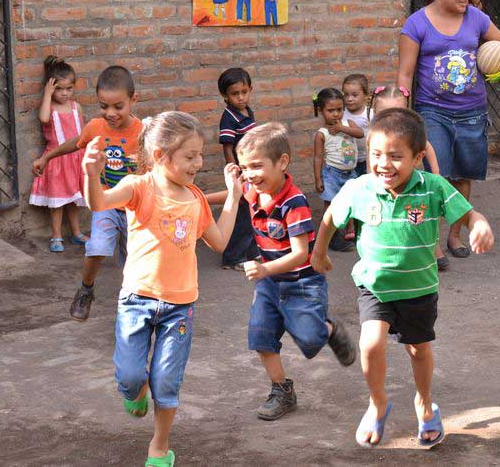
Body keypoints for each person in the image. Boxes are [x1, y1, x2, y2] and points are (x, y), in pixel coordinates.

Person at [311, 107, 494, 448]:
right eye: (376, 154)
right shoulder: (359, 188)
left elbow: (469, 214)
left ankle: (424, 402)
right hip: (375, 286)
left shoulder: (433, 187)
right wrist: (318, 253)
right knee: (370, 345)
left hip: (418, 288)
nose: (383, 164)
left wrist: (479, 224)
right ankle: (377, 402)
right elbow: (330, 219)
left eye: (396, 156)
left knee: (418, 350)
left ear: (418, 156)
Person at [81, 111, 240, 467]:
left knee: (166, 381)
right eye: (189, 156)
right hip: (137, 301)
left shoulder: (195, 198)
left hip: (180, 307)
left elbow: (220, 241)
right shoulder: (139, 187)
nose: (198, 163)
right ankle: (135, 393)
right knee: (131, 378)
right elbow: (99, 203)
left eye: (200, 155)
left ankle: (159, 445)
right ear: (159, 156)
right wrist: (91, 174)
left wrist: (234, 196)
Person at [223, 122, 357, 421]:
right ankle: (281, 390)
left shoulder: (294, 202)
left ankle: (330, 330)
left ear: (282, 162)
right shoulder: (253, 190)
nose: (249, 174)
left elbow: (301, 254)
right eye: (244, 167)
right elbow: (231, 192)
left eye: (256, 166)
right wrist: (192, 199)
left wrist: (263, 268)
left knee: (310, 339)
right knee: (261, 337)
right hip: (270, 285)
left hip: (302, 283)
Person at [398, 0, 500, 261]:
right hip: (433, 111)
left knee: (463, 176)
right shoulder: (416, 24)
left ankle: (454, 235)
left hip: (472, 112)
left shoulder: (477, 18)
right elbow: (404, 75)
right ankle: (433, 242)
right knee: (433, 178)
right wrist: (401, 117)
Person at [32, 66, 142, 321]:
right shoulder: (95, 127)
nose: (110, 113)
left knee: (134, 261)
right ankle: (86, 289)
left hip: (135, 209)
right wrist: (47, 157)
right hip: (105, 204)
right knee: (97, 248)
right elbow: (75, 142)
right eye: (104, 106)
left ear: (133, 100)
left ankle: (134, 304)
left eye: (118, 106)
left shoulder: (143, 133)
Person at [371, 85, 447, 269]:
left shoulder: (410, 133)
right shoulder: (375, 135)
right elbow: (371, 160)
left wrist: (435, 174)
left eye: (398, 113)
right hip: (387, 183)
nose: (392, 121)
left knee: (424, 215)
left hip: (413, 183)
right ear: (375, 112)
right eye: (385, 114)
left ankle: (434, 247)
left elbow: (427, 147)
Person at [28, 56, 87, 253]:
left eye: (68, 88)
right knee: (58, 202)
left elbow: (82, 131)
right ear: (51, 88)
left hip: (76, 160)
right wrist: (46, 94)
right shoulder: (50, 108)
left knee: (73, 200)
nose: (64, 93)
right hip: (57, 161)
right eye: (59, 89)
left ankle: (76, 233)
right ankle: (56, 236)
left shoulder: (76, 107)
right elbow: (43, 118)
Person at [217, 67, 259, 270]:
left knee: (251, 210)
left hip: (250, 172)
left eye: (244, 92)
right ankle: (233, 257)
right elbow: (228, 148)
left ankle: (250, 251)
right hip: (241, 176)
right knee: (242, 216)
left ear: (250, 89)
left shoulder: (247, 112)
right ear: (225, 96)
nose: (241, 98)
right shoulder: (229, 118)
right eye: (235, 94)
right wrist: (236, 175)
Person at [312, 87, 362, 250]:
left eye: (340, 110)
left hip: (351, 173)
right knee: (330, 204)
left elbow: (360, 133)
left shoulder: (348, 124)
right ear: (321, 111)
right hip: (332, 174)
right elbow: (318, 157)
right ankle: (330, 236)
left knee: (353, 202)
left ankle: (351, 231)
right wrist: (318, 178)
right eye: (330, 110)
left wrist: (342, 128)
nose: (336, 114)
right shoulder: (322, 133)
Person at [341, 74, 371, 177]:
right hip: (348, 160)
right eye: (346, 94)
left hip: (367, 159)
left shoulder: (370, 114)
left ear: (366, 95)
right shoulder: (341, 114)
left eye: (354, 95)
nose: (349, 99)